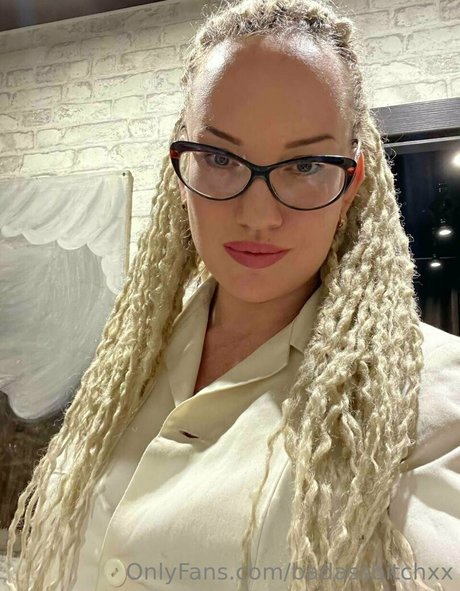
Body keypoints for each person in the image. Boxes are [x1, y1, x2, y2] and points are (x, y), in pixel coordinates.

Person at [6, 0, 460, 589]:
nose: (258, 215)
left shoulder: (429, 398)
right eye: (220, 157)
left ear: (351, 181)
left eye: (304, 165)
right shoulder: (128, 365)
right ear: (182, 168)